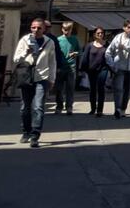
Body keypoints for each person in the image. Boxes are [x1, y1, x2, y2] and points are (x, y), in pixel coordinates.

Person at [12, 17, 57, 148]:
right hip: (26, 77)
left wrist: (52, 79)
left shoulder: (49, 42)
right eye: (33, 27)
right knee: (25, 108)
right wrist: (26, 52)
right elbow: (16, 59)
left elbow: (52, 61)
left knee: (38, 107)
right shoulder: (25, 40)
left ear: (44, 29)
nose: (36, 30)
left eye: (39, 28)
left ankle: (35, 135)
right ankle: (26, 131)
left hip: (41, 77)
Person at [105, 20, 130, 118]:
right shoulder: (118, 38)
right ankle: (117, 108)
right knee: (118, 89)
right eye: (129, 27)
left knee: (127, 89)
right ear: (124, 28)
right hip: (119, 66)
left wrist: (126, 47)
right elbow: (108, 52)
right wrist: (112, 64)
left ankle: (123, 109)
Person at [80, 27, 110, 116]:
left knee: (101, 88)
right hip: (92, 70)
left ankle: (100, 110)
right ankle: (93, 108)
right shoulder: (89, 45)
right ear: (94, 35)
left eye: (102, 33)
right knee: (93, 89)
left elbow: (110, 57)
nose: (100, 34)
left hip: (103, 69)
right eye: (98, 33)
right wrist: (82, 70)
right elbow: (85, 58)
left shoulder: (107, 45)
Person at [54, 21, 81, 115]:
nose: (66, 32)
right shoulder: (58, 40)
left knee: (70, 88)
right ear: (62, 29)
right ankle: (59, 106)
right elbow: (55, 54)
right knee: (59, 89)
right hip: (60, 67)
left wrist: (75, 53)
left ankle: (69, 107)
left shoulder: (74, 39)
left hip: (71, 67)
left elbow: (79, 51)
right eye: (65, 30)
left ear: (71, 30)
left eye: (68, 30)